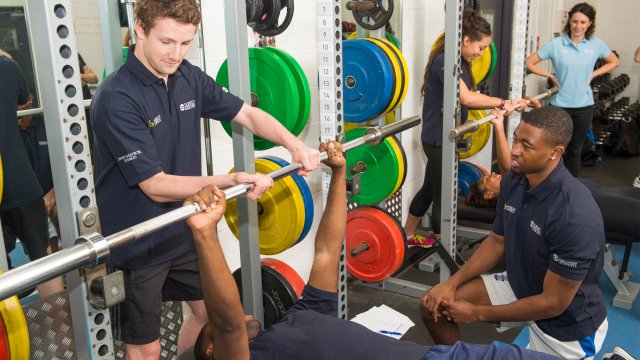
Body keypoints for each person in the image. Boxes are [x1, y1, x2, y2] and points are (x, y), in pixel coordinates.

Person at [89, 0, 320, 358]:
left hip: (184, 232)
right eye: (166, 42)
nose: (176, 54)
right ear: (139, 28)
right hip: (138, 242)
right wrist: (232, 181)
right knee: (146, 349)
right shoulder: (116, 97)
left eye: (185, 43)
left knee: (219, 316)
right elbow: (155, 184)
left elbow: (247, 113)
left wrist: (294, 145)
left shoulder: (188, 77)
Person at [185, 141, 559, 360]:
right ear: (211, 350)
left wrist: (338, 173)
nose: (248, 313)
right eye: (214, 332)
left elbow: (329, 251)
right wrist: (206, 233)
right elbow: (230, 320)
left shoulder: (303, 312)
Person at [421, 106, 608, 359]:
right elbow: (497, 241)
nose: (515, 151)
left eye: (527, 146)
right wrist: (451, 283)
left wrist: (476, 313)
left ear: (556, 152)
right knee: (435, 306)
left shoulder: (573, 216)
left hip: (566, 327)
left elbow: (553, 303)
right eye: (515, 139)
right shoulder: (515, 180)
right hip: (522, 285)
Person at [403, 11, 522, 247]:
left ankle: (406, 235)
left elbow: (471, 95)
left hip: (443, 138)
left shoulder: (460, 62)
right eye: (480, 46)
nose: (481, 53)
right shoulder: (445, 60)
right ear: (466, 40)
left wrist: (504, 102)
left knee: (430, 188)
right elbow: (466, 98)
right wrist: (500, 102)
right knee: (442, 195)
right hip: (438, 140)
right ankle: (445, 247)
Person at [465, 102, 640, 254]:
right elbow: (507, 165)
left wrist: (539, 110)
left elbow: (543, 143)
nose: (493, 174)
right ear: (488, 195)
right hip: (589, 205)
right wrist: (497, 126)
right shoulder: (510, 194)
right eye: (488, 180)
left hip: (589, 189)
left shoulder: (519, 180)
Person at [525, 2, 619, 177]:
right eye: (575, 21)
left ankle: (570, 188)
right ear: (569, 21)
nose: (578, 26)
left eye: (583, 22)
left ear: (589, 23)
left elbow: (614, 61)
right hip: (559, 106)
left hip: (584, 106)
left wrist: (594, 74)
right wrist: (549, 75)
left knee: (575, 151)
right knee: (555, 150)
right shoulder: (556, 44)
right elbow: (529, 62)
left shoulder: (596, 44)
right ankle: (551, 185)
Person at [0, 54, 63, 297]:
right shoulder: (7, 66)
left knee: (43, 258)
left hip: (18, 180)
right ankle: (62, 330)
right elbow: (21, 99)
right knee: (42, 257)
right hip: (18, 180)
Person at [78, 53, 98, 151]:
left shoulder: (76, 55)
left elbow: (94, 78)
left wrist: (80, 76)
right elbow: (72, 82)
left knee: (91, 141)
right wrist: (85, 77)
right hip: (74, 110)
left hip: (86, 108)